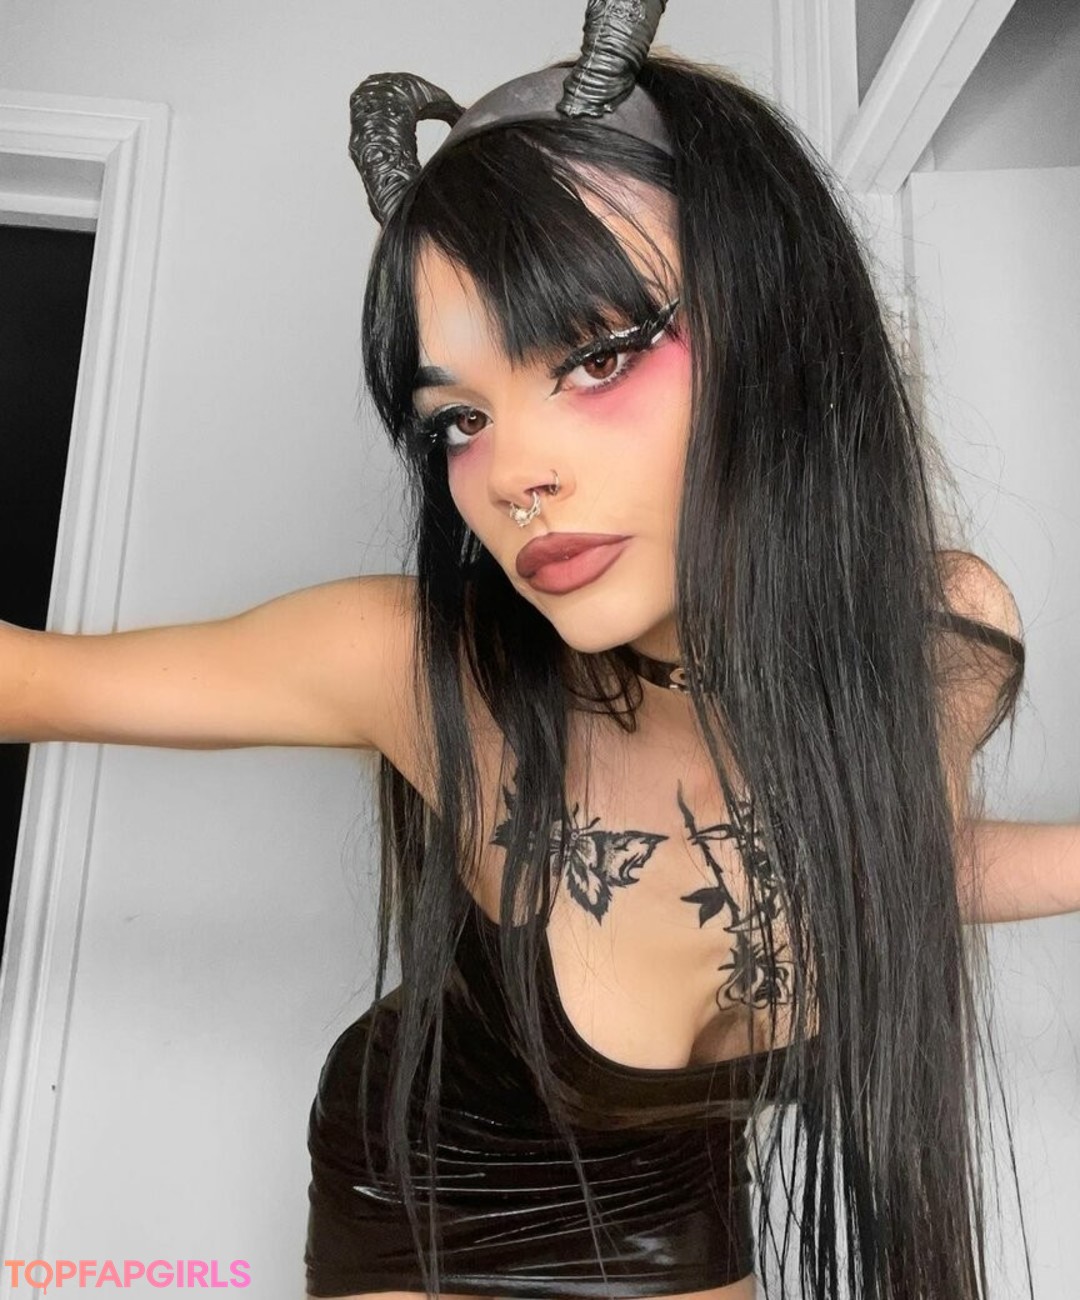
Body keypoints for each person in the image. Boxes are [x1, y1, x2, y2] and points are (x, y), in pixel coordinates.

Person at [4, 2, 1073, 1298]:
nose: (510, 472)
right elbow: (29, 680)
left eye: (598, 355)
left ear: (781, 331)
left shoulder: (943, 641)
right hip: (431, 1179)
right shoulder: (416, 668)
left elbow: (889, 851)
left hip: (674, 1189)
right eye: (457, 420)